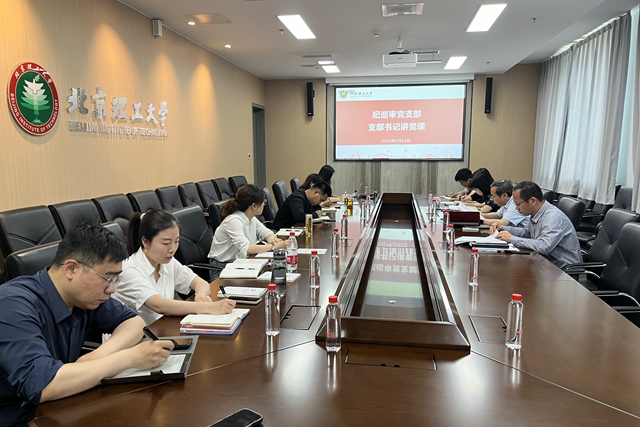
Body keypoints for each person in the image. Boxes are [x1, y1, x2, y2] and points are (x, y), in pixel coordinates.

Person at [0, 224, 174, 426]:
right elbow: (43, 385)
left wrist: (94, 358)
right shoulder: (12, 304)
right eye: (107, 278)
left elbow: (134, 322)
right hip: (19, 417)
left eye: (116, 279)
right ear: (71, 269)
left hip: (63, 405)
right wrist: (128, 358)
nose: (112, 289)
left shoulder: (85, 297)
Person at [114, 209, 235, 325]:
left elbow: (200, 282)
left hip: (165, 326)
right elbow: (159, 305)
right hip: (142, 336)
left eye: (176, 241)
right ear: (145, 241)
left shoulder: (166, 261)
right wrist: (209, 307)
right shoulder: (129, 270)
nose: (172, 249)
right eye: (166, 243)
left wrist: (201, 294)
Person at [490, 181, 582, 268]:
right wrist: (503, 228)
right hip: (544, 262)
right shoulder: (536, 212)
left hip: (562, 269)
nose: (516, 209)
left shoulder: (552, 217)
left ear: (532, 201)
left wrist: (512, 239)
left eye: (518, 204)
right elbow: (526, 233)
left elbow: (544, 246)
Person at [208, 185, 287, 281]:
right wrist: (273, 247)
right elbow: (247, 249)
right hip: (222, 268)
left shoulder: (251, 218)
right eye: (263, 202)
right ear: (254, 206)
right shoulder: (234, 221)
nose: (264, 205)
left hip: (239, 263)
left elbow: (267, 233)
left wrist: (271, 239)